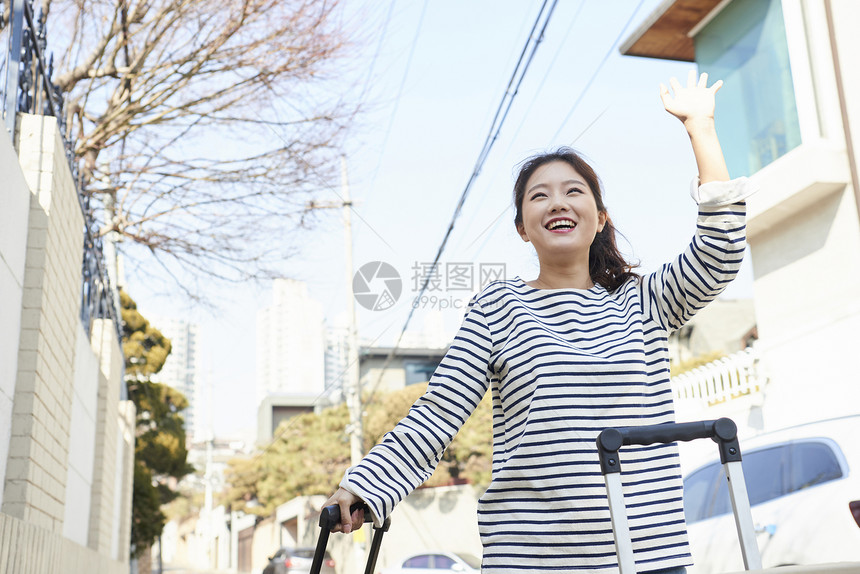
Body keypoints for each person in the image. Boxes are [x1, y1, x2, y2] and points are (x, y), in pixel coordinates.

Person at [323, 71, 757, 573]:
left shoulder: (644, 300)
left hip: (647, 554)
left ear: (599, 218)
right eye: (539, 196)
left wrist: (700, 128)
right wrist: (364, 485)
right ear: (522, 229)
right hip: (532, 557)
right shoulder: (498, 307)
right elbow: (438, 412)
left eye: (574, 192)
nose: (557, 202)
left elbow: (721, 253)